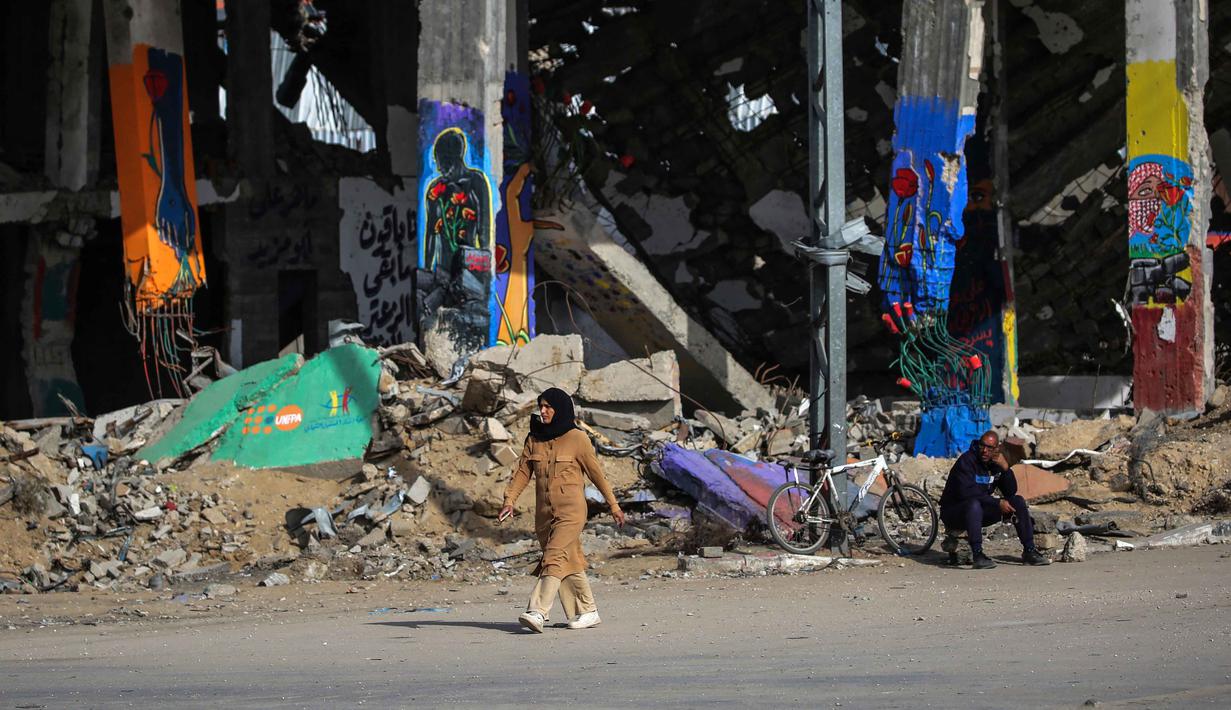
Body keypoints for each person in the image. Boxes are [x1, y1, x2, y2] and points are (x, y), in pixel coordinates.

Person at [499, 387, 625, 632]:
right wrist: (509, 500)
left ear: (561, 409)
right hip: (544, 515)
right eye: (541, 406)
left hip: (572, 512)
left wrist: (614, 505)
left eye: (548, 406)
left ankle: (537, 610)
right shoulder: (534, 438)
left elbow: (596, 474)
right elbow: (523, 472)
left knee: (554, 557)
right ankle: (587, 611)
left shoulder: (577, 438)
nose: (543, 411)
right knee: (568, 561)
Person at [939, 430, 1051, 569]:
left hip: (979, 510)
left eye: (990, 448)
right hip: (955, 511)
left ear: (996, 449)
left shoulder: (995, 463)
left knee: (1017, 501)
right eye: (982, 446)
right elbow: (967, 493)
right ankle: (978, 554)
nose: (985, 451)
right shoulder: (967, 461)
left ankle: (1029, 550)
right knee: (973, 504)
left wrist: (1005, 469)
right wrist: (997, 503)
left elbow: (1010, 491)